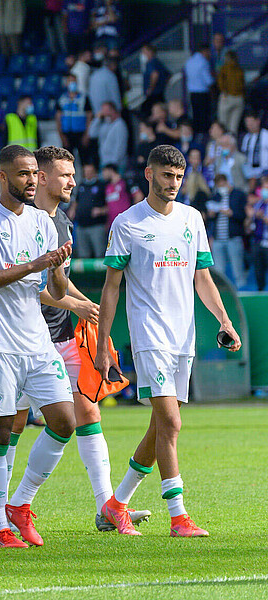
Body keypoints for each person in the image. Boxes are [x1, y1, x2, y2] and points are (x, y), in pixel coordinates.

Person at [96, 145, 242, 537]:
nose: (173, 184)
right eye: (166, 176)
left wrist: (225, 320)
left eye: (178, 177)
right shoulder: (127, 223)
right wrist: (102, 344)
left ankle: (116, 504)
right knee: (172, 423)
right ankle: (179, 517)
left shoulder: (192, 219)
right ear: (149, 175)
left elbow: (203, 278)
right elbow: (111, 289)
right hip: (149, 336)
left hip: (184, 337)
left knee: (161, 426)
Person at [10, 146, 151, 531]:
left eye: (73, 174)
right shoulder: (25, 221)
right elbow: (27, 286)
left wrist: (84, 302)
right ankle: (2, 510)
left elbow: (59, 278)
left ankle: (107, 506)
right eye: (65, 174)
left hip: (61, 338)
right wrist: (75, 305)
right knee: (12, 424)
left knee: (87, 412)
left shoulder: (64, 222)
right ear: (40, 176)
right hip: (22, 338)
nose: (73, 181)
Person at [0, 144, 76, 548]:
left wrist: (58, 264)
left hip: (36, 341)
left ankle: (20, 504)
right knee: (0, 430)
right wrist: (33, 265)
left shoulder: (45, 223)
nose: (31, 181)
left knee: (65, 421)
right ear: (3, 176)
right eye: (23, 174)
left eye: (34, 174)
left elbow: (55, 288)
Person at [204, 174, 247, 285]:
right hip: (218, 239)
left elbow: (243, 215)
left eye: (222, 184)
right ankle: (221, 295)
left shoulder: (238, 195)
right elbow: (210, 218)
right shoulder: (216, 197)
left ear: (227, 182)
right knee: (219, 271)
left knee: (237, 269)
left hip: (233, 238)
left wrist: (231, 213)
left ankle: (242, 293)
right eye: (219, 185)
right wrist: (211, 214)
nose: (221, 187)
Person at [70, 163, 107, 258]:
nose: (88, 174)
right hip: (81, 226)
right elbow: (76, 201)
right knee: (83, 255)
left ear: (95, 172)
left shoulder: (101, 185)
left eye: (90, 172)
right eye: (86, 172)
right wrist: (73, 210)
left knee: (100, 254)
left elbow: (110, 205)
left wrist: (101, 210)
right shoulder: (81, 185)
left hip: (96, 225)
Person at [56, 73, 93, 165]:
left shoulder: (84, 98)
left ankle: (86, 179)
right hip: (67, 134)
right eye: (70, 81)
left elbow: (89, 117)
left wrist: (87, 134)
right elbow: (58, 118)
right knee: (66, 162)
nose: (72, 84)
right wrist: (61, 136)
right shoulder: (62, 99)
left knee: (85, 161)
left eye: (74, 81)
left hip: (81, 133)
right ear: (66, 83)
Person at [184, 45, 215, 136]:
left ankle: (197, 134)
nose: (209, 54)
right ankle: (204, 135)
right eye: (208, 52)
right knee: (204, 117)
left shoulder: (189, 61)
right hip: (203, 93)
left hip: (193, 93)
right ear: (204, 51)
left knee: (196, 115)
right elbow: (208, 80)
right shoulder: (203, 62)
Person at [217, 51, 245, 135]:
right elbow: (243, 84)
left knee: (222, 125)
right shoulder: (239, 69)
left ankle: (223, 146)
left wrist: (224, 92)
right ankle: (231, 144)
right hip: (239, 98)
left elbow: (220, 83)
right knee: (233, 128)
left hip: (227, 97)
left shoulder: (224, 68)